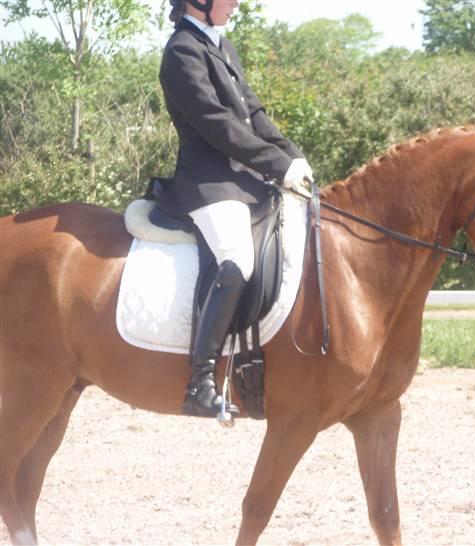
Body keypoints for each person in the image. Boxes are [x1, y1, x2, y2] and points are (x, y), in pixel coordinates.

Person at [160, 0, 312, 418]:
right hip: (207, 183)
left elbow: (254, 115)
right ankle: (200, 382)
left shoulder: (222, 45)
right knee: (237, 259)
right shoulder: (181, 52)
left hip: (244, 180)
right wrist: (278, 165)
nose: (236, 3)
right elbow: (216, 124)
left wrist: (294, 157)